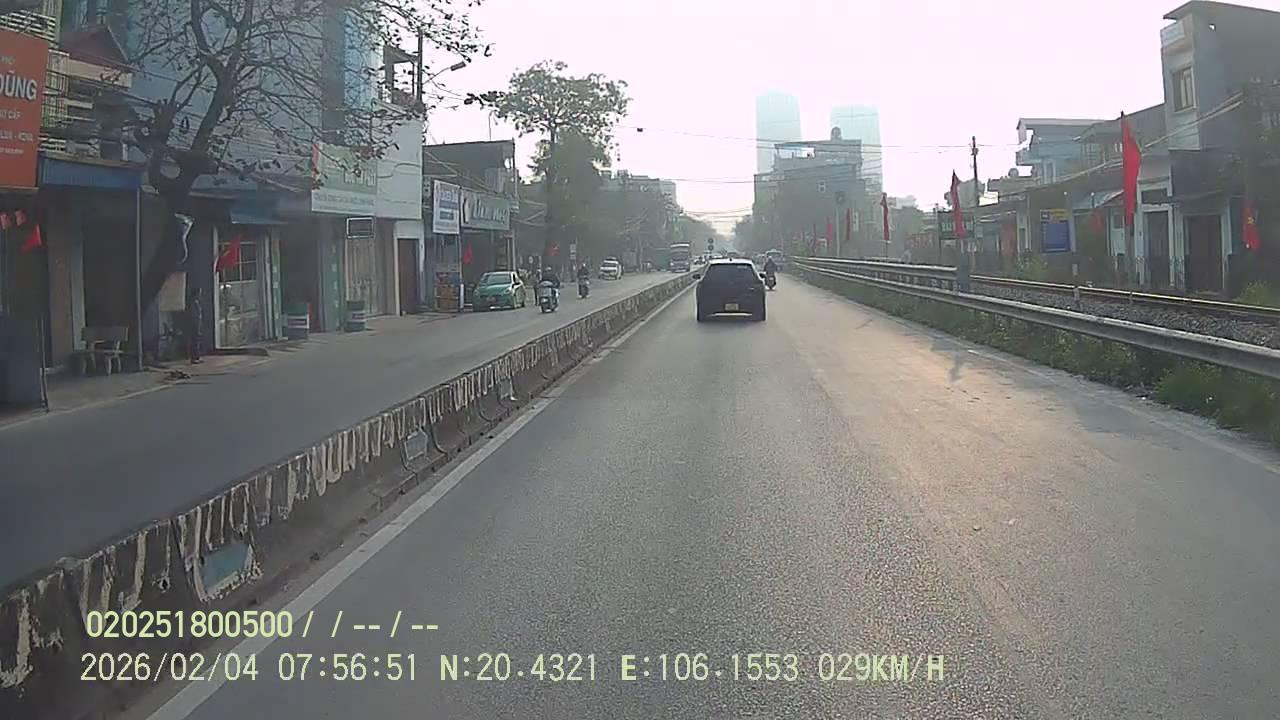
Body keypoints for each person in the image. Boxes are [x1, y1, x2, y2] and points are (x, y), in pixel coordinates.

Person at [187, 287, 204, 364]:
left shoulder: (196, 302)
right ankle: (194, 357)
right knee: (194, 341)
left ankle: (197, 356)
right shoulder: (192, 303)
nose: (200, 295)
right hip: (194, 324)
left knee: (197, 340)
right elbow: (193, 315)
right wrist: (196, 323)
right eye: (199, 293)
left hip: (197, 323)